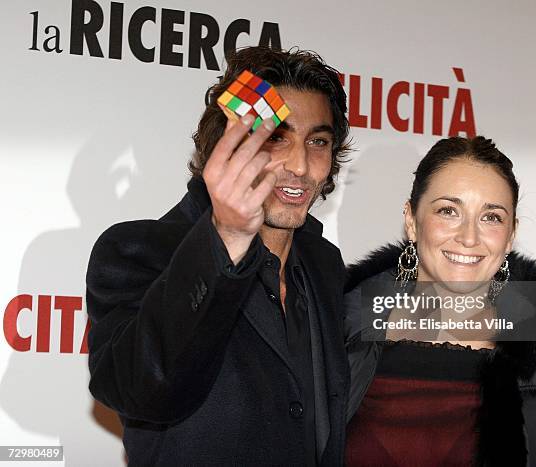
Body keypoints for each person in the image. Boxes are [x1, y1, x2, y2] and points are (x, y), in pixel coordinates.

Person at [86, 46, 352, 466]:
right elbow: (142, 391)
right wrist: (226, 236)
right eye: (277, 137)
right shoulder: (139, 251)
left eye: (317, 141)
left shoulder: (325, 265)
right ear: (226, 145)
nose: (300, 166)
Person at [343, 136, 536, 466]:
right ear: (411, 220)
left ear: (511, 233)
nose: (469, 237)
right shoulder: (336, 332)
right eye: (448, 211)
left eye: (491, 217)